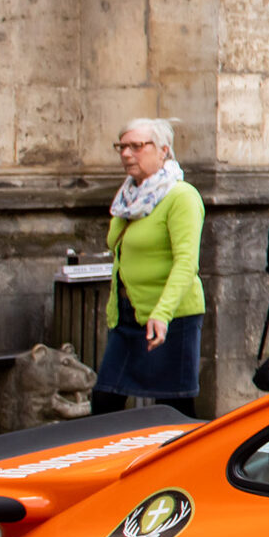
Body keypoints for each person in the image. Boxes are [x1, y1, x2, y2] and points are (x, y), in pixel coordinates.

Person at [95, 118, 204, 416]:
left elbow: (186, 263)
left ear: (163, 150)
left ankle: (188, 462)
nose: (127, 154)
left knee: (173, 410)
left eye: (136, 146)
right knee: (104, 400)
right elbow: (115, 248)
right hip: (128, 317)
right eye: (122, 146)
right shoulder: (128, 198)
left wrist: (163, 313)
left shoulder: (181, 196)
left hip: (170, 317)